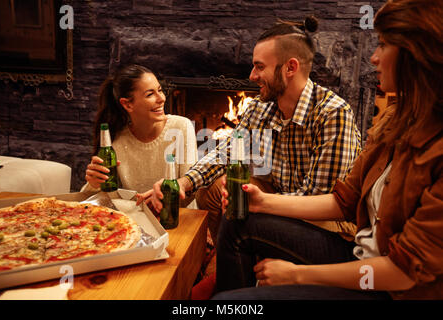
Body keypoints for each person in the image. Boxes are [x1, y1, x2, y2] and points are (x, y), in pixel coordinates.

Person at [213, 0, 443, 300]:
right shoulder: (395, 119)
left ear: (416, 56)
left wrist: (296, 275)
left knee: (227, 304)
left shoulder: (335, 113)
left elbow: (402, 273)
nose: (373, 58)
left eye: (383, 45)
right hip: (361, 254)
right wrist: (262, 202)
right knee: (237, 219)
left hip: (388, 287)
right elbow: (342, 200)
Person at [150, 17, 362, 245]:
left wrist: (258, 203)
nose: (252, 76)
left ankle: (240, 262)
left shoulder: (333, 114)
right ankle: (229, 263)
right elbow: (227, 152)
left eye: (260, 66)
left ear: (290, 67)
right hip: (280, 196)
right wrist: (184, 182)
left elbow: (317, 199)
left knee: (240, 209)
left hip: (328, 225)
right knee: (213, 191)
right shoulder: (261, 106)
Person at [82, 64, 197, 208]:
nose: (161, 99)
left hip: (180, 218)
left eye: (160, 90)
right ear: (127, 104)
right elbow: (98, 203)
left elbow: (190, 192)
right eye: (150, 94)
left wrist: (161, 198)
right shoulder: (115, 139)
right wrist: (94, 184)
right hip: (134, 219)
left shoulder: (181, 127)